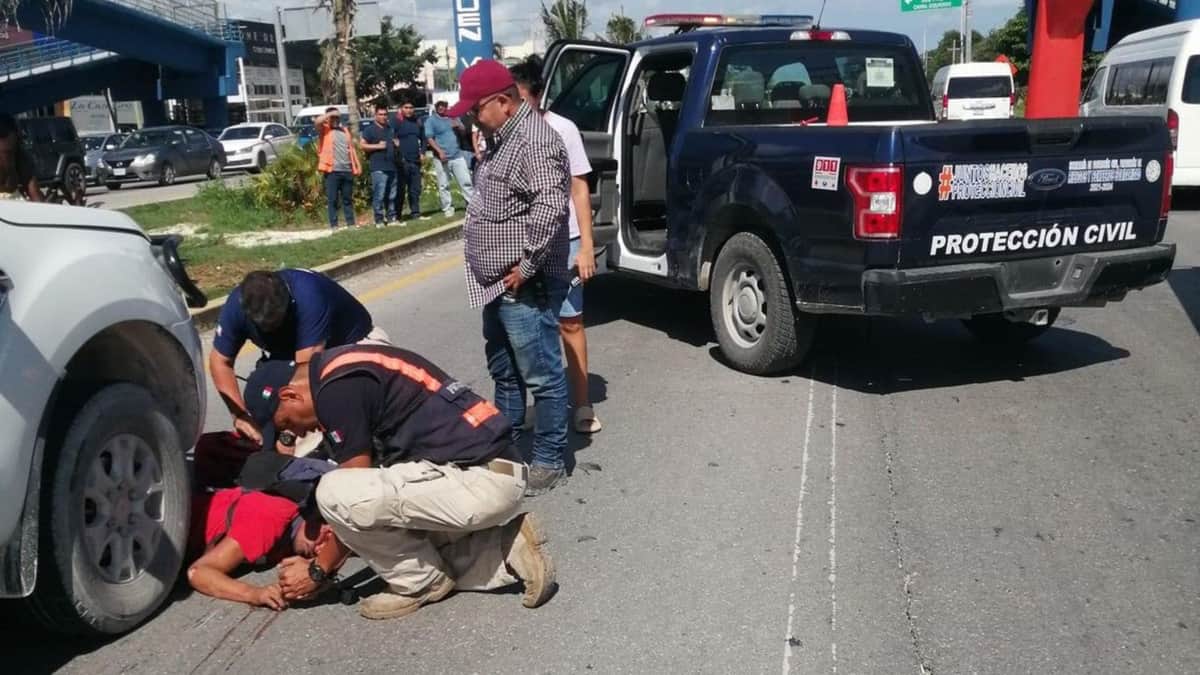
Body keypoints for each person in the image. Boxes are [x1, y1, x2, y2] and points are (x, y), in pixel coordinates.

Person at [260, 345, 556, 620]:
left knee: (335, 492)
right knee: (403, 548)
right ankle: (508, 548)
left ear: (289, 395)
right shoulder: (339, 367)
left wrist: (316, 571)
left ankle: (421, 584)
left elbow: (353, 494)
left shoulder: (335, 391)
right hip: (489, 473)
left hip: (480, 481)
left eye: (285, 425)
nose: (296, 435)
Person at [448, 60, 573, 495]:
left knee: (541, 374)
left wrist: (527, 265)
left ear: (502, 102)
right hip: (496, 283)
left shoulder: (535, 140)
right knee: (504, 369)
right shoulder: (503, 138)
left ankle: (549, 458)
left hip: (522, 282)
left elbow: (551, 207)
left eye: (474, 110)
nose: (469, 119)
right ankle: (507, 447)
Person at [187, 367, 336, 610]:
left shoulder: (296, 533)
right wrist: (254, 594)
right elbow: (199, 572)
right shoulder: (270, 517)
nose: (322, 548)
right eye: (326, 535)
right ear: (314, 519)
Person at [510, 55, 602, 434]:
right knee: (528, 326)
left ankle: (581, 402)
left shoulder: (563, 129)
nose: (510, 106)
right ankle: (540, 402)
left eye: (516, 97)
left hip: (566, 241)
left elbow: (579, 187)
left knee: (570, 322)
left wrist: (586, 246)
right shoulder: (503, 133)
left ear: (535, 94)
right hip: (523, 243)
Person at [208, 269, 385, 446]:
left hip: (352, 348)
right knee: (265, 402)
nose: (271, 329)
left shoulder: (309, 295)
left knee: (323, 433)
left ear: (288, 302)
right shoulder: (236, 304)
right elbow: (220, 361)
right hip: (292, 356)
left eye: (276, 321)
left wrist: (288, 434)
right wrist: (240, 415)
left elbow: (306, 379)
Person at [424, 100, 474, 217]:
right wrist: (440, 151)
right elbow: (430, 138)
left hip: (457, 155)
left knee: (466, 181)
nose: (442, 108)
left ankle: (471, 206)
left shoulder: (452, 117)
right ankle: (447, 208)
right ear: (436, 107)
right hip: (442, 157)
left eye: (444, 106)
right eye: (439, 106)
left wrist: (458, 124)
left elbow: (463, 131)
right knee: (444, 184)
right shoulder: (431, 121)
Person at [314, 107, 361, 229]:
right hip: (332, 171)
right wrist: (329, 114)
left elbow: (351, 150)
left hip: (347, 170)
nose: (335, 119)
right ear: (328, 117)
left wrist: (357, 165)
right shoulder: (324, 130)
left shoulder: (345, 131)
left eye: (337, 117)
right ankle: (334, 225)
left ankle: (350, 224)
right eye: (332, 117)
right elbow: (317, 122)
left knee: (347, 199)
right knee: (332, 200)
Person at [359, 104, 398, 227]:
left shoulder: (390, 129)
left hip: (392, 165)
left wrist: (396, 144)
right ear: (375, 116)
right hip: (378, 166)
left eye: (385, 114)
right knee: (379, 195)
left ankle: (392, 218)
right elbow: (362, 146)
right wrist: (378, 146)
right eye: (380, 114)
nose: (383, 117)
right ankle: (379, 220)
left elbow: (394, 142)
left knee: (392, 195)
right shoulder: (369, 130)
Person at [393, 100, 428, 221]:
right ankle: (397, 215)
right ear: (401, 109)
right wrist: (395, 143)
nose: (409, 110)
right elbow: (390, 136)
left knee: (415, 189)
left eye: (411, 107)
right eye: (406, 107)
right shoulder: (396, 122)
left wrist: (423, 152)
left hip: (415, 161)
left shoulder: (417, 122)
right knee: (400, 190)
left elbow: (424, 139)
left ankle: (415, 213)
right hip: (402, 162)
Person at [0, 114, 41, 202]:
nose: (22, 134)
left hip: (15, 201)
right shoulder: (19, 153)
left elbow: (34, 191)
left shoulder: (19, 154)